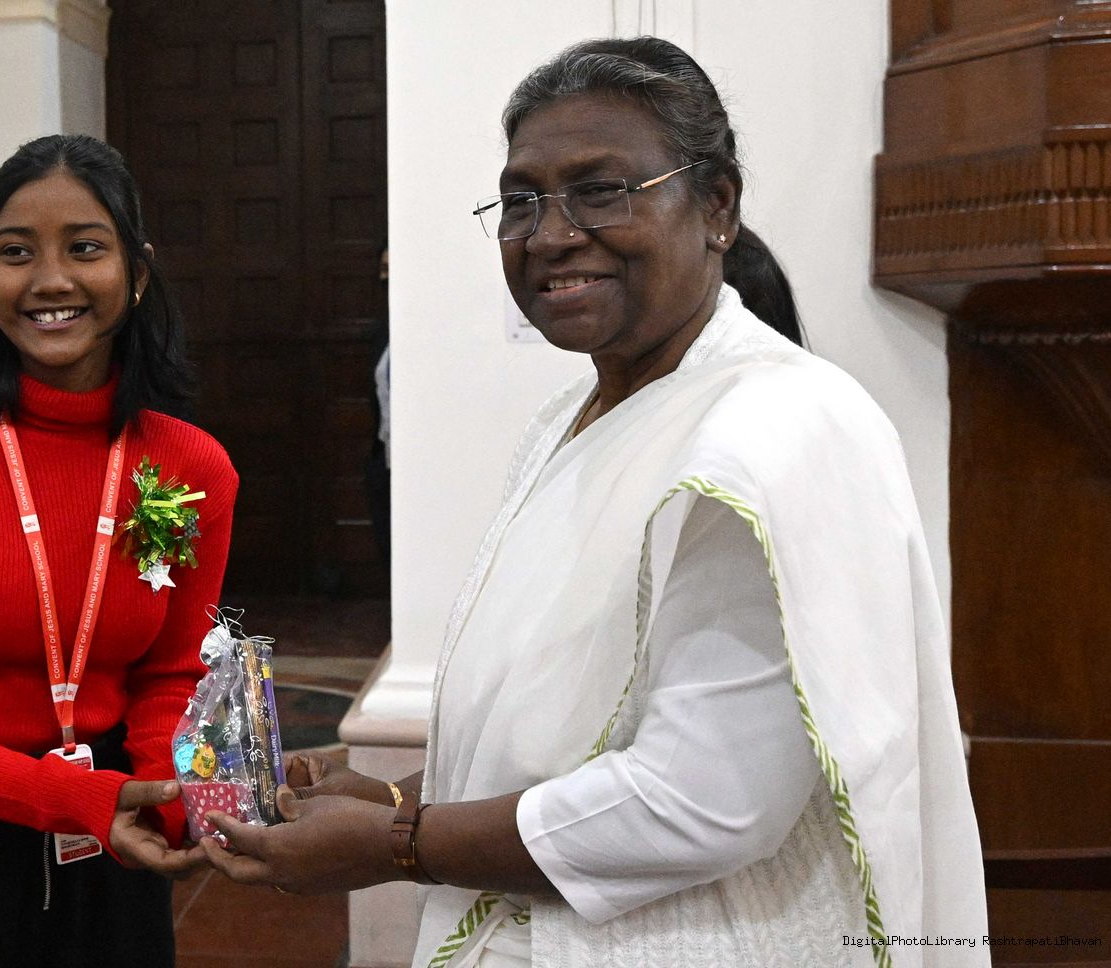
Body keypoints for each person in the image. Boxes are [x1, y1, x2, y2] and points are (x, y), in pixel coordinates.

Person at [197, 38, 989, 968]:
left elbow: (702, 801)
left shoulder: (775, 432)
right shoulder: (573, 419)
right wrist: (394, 795)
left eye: (601, 190)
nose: (549, 234)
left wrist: (395, 843)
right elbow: (561, 731)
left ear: (716, 205)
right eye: (521, 200)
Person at [0, 134, 235, 967]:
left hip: (117, 832)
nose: (50, 280)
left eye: (84, 248)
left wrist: (177, 807)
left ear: (136, 273)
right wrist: (77, 798)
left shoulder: (191, 467)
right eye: (16, 252)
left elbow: (171, 675)